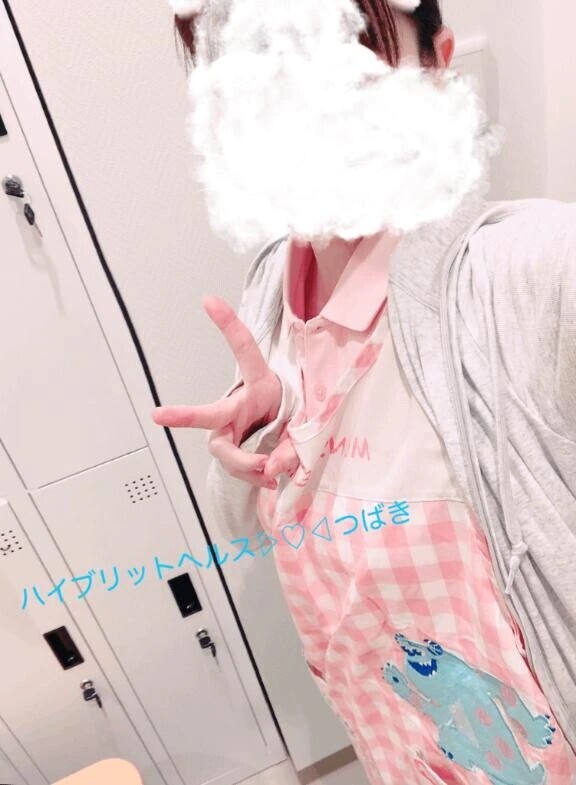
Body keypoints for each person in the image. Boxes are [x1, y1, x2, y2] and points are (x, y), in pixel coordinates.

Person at [153, 1, 576, 783]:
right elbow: (241, 521)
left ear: (437, 68)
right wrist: (255, 436)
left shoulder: (514, 276)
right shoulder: (270, 288)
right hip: (394, 745)